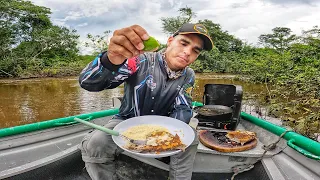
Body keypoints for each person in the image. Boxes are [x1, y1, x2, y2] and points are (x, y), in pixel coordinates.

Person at [78, 23, 214, 180]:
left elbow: (183, 107)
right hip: (127, 120)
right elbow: (88, 83)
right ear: (170, 41)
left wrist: (167, 137)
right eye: (184, 43)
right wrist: (110, 61)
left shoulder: (189, 75)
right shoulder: (139, 60)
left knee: (190, 139)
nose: (187, 52)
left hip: (165, 125)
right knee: (96, 143)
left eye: (195, 50)